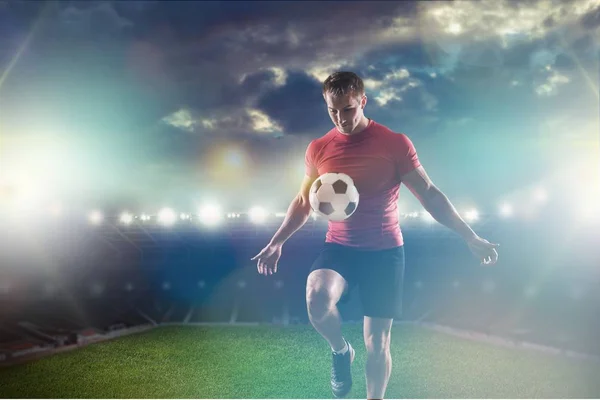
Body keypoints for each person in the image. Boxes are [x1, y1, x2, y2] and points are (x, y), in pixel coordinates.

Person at [251, 71, 499, 399]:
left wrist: (470, 236)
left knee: (377, 344)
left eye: (349, 109)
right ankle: (341, 351)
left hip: (384, 252)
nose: (341, 118)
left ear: (363, 102)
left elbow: (430, 194)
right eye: (333, 110)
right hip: (340, 247)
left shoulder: (394, 144)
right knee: (316, 297)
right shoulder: (319, 148)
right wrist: (277, 241)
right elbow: (302, 201)